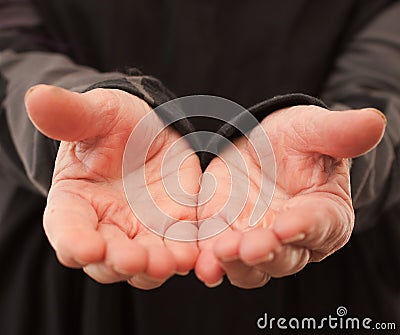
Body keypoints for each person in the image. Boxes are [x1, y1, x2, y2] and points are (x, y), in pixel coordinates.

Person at [1, 0, 399, 334]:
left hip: (330, 276)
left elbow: (388, 51)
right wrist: (72, 132)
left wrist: (336, 161)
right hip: (73, 269)